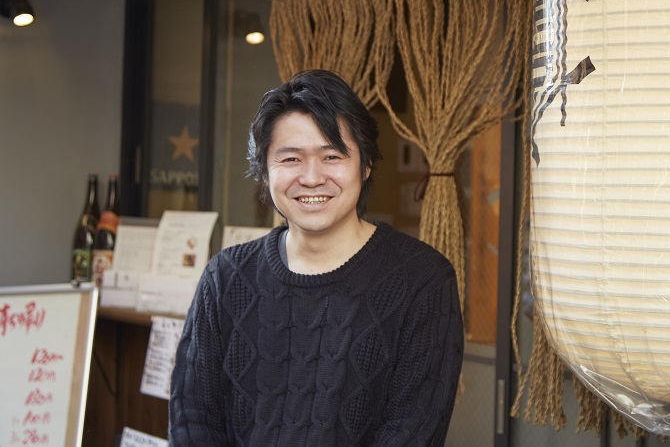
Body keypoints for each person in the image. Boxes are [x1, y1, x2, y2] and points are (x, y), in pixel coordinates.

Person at [169, 69, 464, 446]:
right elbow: (193, 420)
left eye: (332, 156)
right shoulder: (225, 278)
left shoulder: (422, 282)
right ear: (264, 170)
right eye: (291, 159)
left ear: (366, 164)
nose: (311, 178)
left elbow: (411, 433)